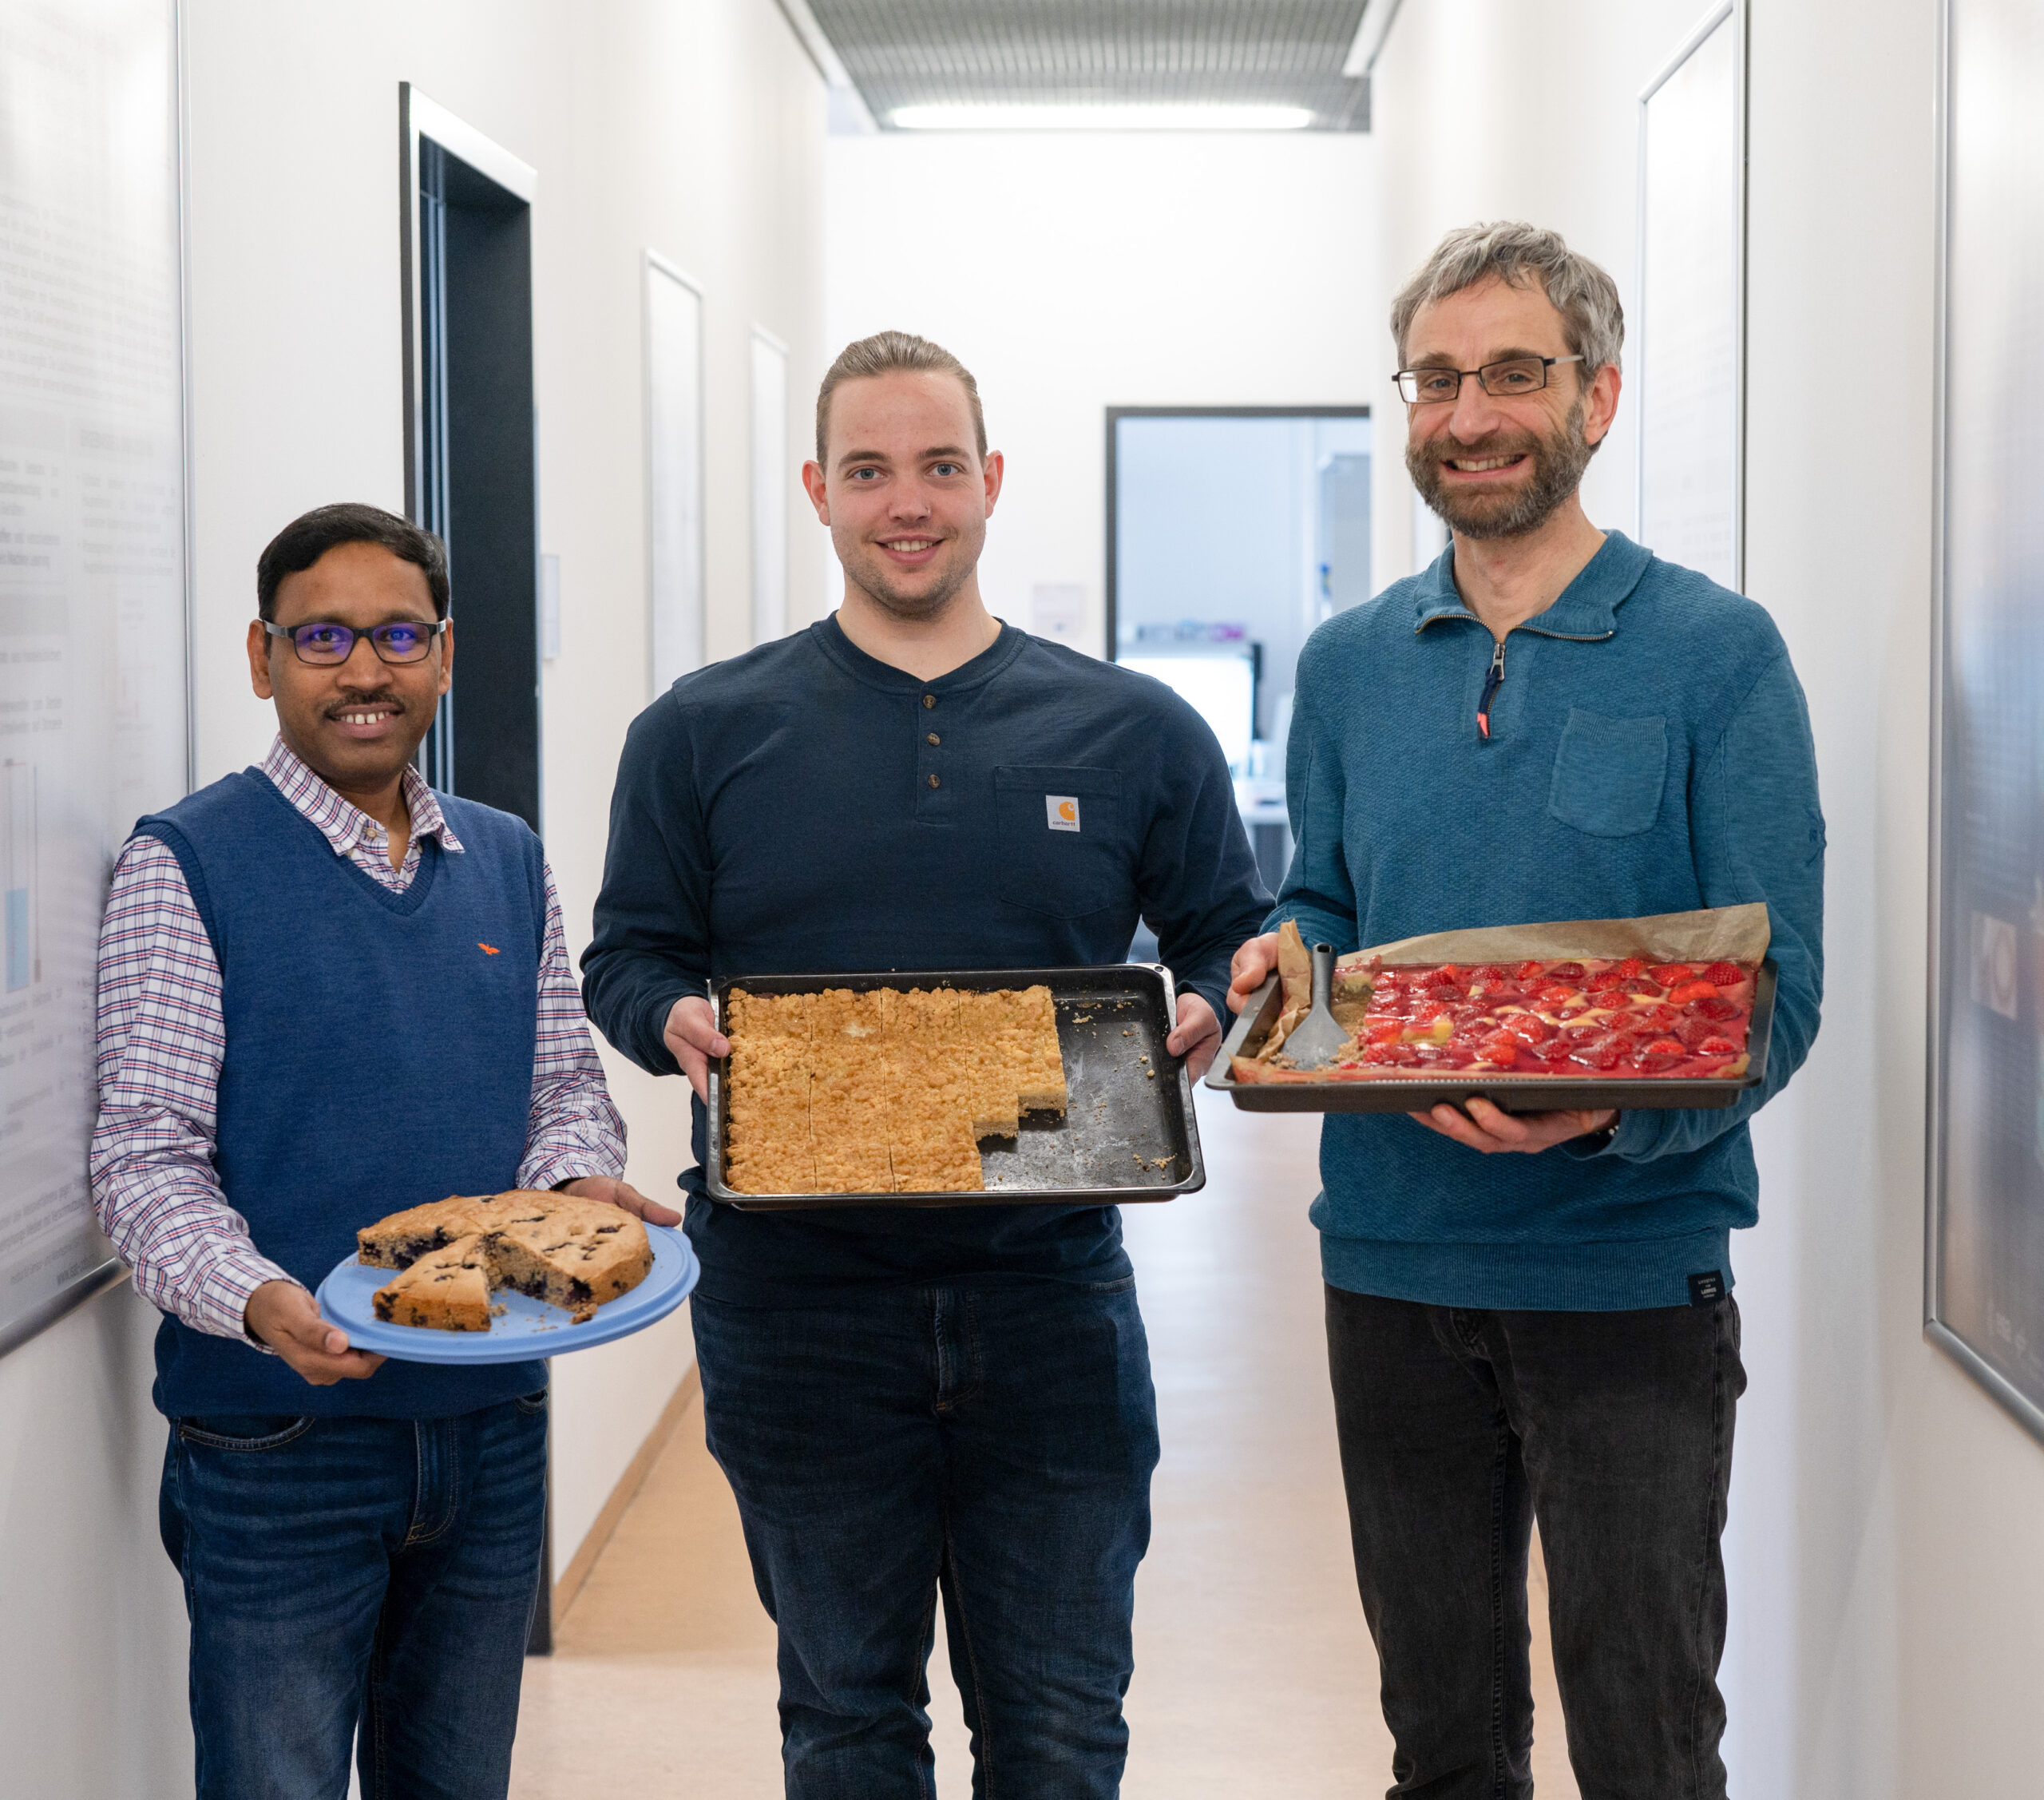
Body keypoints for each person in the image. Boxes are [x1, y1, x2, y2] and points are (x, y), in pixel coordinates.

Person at [582, 331, 1270, 1797]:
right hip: (794, 1301)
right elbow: (627, 954)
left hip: (1052, 1287)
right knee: (845, 1718)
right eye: (875, 471)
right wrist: (672, 1020)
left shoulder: (1136, 729)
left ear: (992, 482)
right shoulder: (701, 731)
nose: (911, 502)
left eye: (942, 466)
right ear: (820, 489)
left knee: (1064, 1730)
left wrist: (1208, 1007)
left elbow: (1233, 936)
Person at [1228, 224, 1824, 1798]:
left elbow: (1778, 987)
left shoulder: (1713, 654)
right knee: (1441, 1741)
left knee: (1642, 1737)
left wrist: (1611, 1104)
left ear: (1596, 396)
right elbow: (1329, 917)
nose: (1468, 412)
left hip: (1624, 1278)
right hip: (1387, 1266)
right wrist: (1281, 962)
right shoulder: (1349, 664)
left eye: (1510, 372)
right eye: (1435, 378)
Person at [90, 502, 678, 1800]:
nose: (365, 669)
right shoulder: (187, 862)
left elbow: (562, 1091)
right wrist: (263, 1302)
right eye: (324, 637)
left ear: (446, 654)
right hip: (280, 1440)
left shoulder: (508, 859)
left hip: (489, 1426)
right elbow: (143, 1160)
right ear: (263, 657)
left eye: (399, 633)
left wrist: (580, 1178)